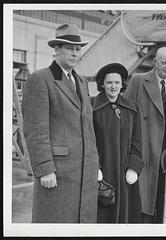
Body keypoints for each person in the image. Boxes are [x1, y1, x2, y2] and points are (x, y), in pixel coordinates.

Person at [22, 23, 99, 223]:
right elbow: (35, 129)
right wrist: (45, 167)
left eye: (78, 49)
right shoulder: (40, 79)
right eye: (70, 48)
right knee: (55, 224)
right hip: (58, 173)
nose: (75, 53)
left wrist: (94, 162)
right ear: (56, 50)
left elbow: (87, 126)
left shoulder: (81, 82)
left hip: (84, 172)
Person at [125, 47, 166, 223]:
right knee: (143, 200)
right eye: (163, 62)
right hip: (145, 147)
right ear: (155, 62)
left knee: (163, 198)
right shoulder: (138, 81)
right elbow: (128, 114)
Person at [93, 63, 145, 223]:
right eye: (109, 82)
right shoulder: (91, 108)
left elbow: (137, 141)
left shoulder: (132, 109)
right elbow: (88, 140)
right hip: (103, 173)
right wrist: (95, 167)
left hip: (125, 175)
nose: (113, 86)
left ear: (122, 84)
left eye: (117, 82)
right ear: (102, 84)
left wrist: (134, 168)